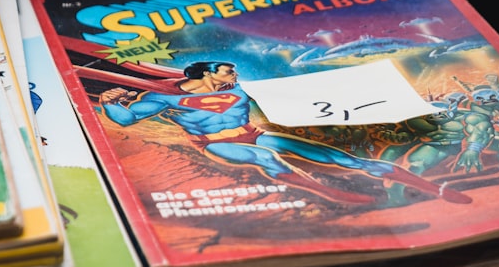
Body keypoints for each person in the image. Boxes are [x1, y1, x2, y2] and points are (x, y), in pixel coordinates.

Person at [98, 60, 471, 206]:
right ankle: (330, 193)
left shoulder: (242, 89)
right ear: (207, 74)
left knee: (343, 158)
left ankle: (432, 188)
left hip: (254, 132)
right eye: (227, 72)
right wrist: (110, 100)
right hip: (221, 146)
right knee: (267, 159)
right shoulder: (162, 98)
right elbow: (126, 121)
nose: (234, 76)